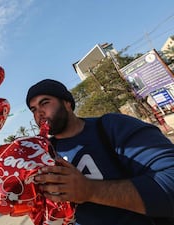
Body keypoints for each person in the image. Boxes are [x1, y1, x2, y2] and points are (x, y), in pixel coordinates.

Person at [26, 79, 174, 225]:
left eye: (44, 103)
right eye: (33, 110)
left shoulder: (114, 127)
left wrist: (90, 190)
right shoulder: (41, 153)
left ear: (67, 103)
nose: (39, 113)